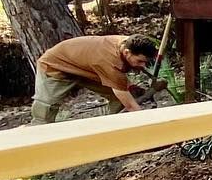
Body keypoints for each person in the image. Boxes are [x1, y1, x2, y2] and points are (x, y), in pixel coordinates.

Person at [30, 34, 164, 123]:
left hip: (87, 68)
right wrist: (148, 123)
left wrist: (129, 86)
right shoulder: (110, 63)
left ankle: (118, 128)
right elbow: (131, 106)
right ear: (127, 52)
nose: (143, 66)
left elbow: (123, 88)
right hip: (57, 65)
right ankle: (37, 139)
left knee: (120, 97)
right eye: (140, 61)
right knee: (46, 108)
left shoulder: (128, 42)